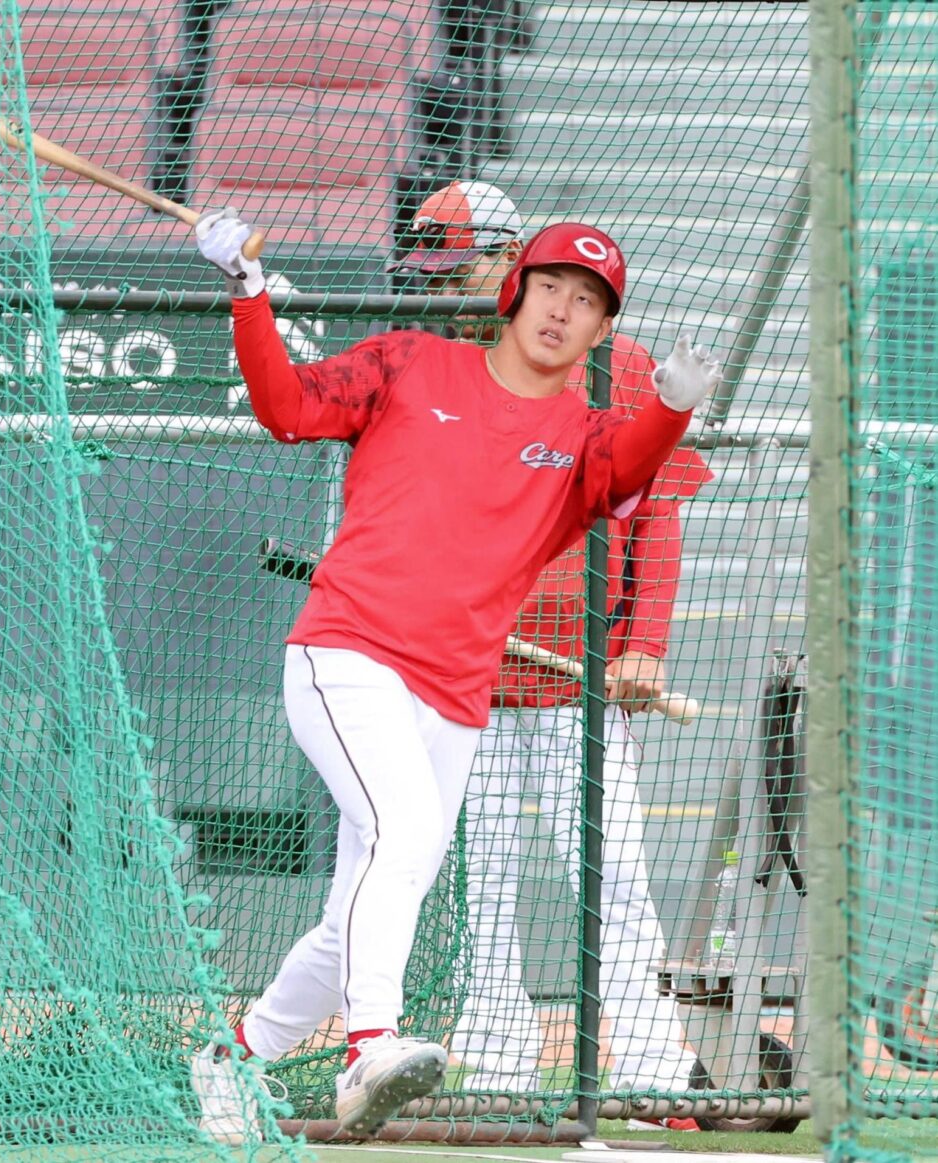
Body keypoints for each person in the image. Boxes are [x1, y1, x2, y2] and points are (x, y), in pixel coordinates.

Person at [188, 202, 721, 1144]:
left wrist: (672, 406)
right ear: (516, 290)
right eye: (552, 285)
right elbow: (285, 407)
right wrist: (248, 290)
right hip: (347, 653)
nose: (563, 309)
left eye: (588, 300)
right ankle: (369, 1048)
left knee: (373, 895)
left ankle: (234, 1055)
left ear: (605, 326)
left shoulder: (588, 435)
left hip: (457, 693)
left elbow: (635, 469)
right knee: (401, 836)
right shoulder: (408, 361)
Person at [391, 181, 711, 1125]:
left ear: (514, 262)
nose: (448, 290)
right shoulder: (449, 367)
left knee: (607, 871)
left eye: (463, 269)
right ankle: (493, 1053)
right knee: (478, 867)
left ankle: (653, 1059)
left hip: (581, 675)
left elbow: (657, 516)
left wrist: (645, 642)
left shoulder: (619, 368)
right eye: (437, 274)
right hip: (467, 672)